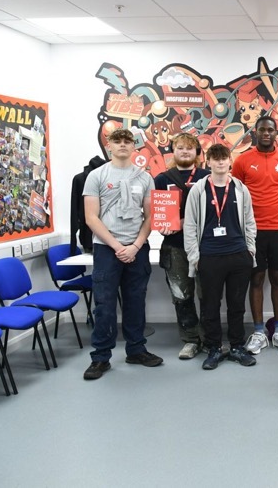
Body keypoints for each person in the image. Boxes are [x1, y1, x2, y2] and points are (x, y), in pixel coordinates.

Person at [82, 128, 163, 380]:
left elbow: (150, 216)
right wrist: (117, 247)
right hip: (107, 249)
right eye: (118, 141)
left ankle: (136, 349)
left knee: (135, 301)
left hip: (136, 247)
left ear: (134, 146)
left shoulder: (144, 177)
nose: (123, 145)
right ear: (109, 146)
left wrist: (136, 246)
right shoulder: (96, 176)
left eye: (128, 141)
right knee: (105, 304)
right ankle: (100, 357)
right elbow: (91, 217)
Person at [184, 144, 257, 370]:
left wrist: (250, 250)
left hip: (238, 255)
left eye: (223, 158)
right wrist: (195, 257)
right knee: (210, 306)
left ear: (229, 161)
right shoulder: (198, 190)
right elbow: (189, 225)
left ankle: (236, 346)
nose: (220, 162)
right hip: (210, 257)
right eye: (215, 159)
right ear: (208, 162)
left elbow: (250, 222)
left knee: (237, 305)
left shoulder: (240, 189)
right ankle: (214, 347)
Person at [231, 116, 278, 354]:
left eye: (270, 130)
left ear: (276, 133)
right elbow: (236, 195)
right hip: (252, 231)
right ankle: (259, 331)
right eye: (262, 130)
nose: (266, 133)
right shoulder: (242, 161)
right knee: (256, 279)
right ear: (255, 132)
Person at [153, 133, 210, 360]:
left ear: (197, 153)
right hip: (174, 247)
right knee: (181, 295)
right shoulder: (161, 179)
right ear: (173, 151)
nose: (185, 152)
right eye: (180, 148)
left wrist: (188, 222)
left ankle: (209, 339)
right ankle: (190, 340)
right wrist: (165, 226)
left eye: (189, 148)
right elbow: (158, 215)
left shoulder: (207, 176)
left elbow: (216, 211)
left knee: (208, 294)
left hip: (205, 246)